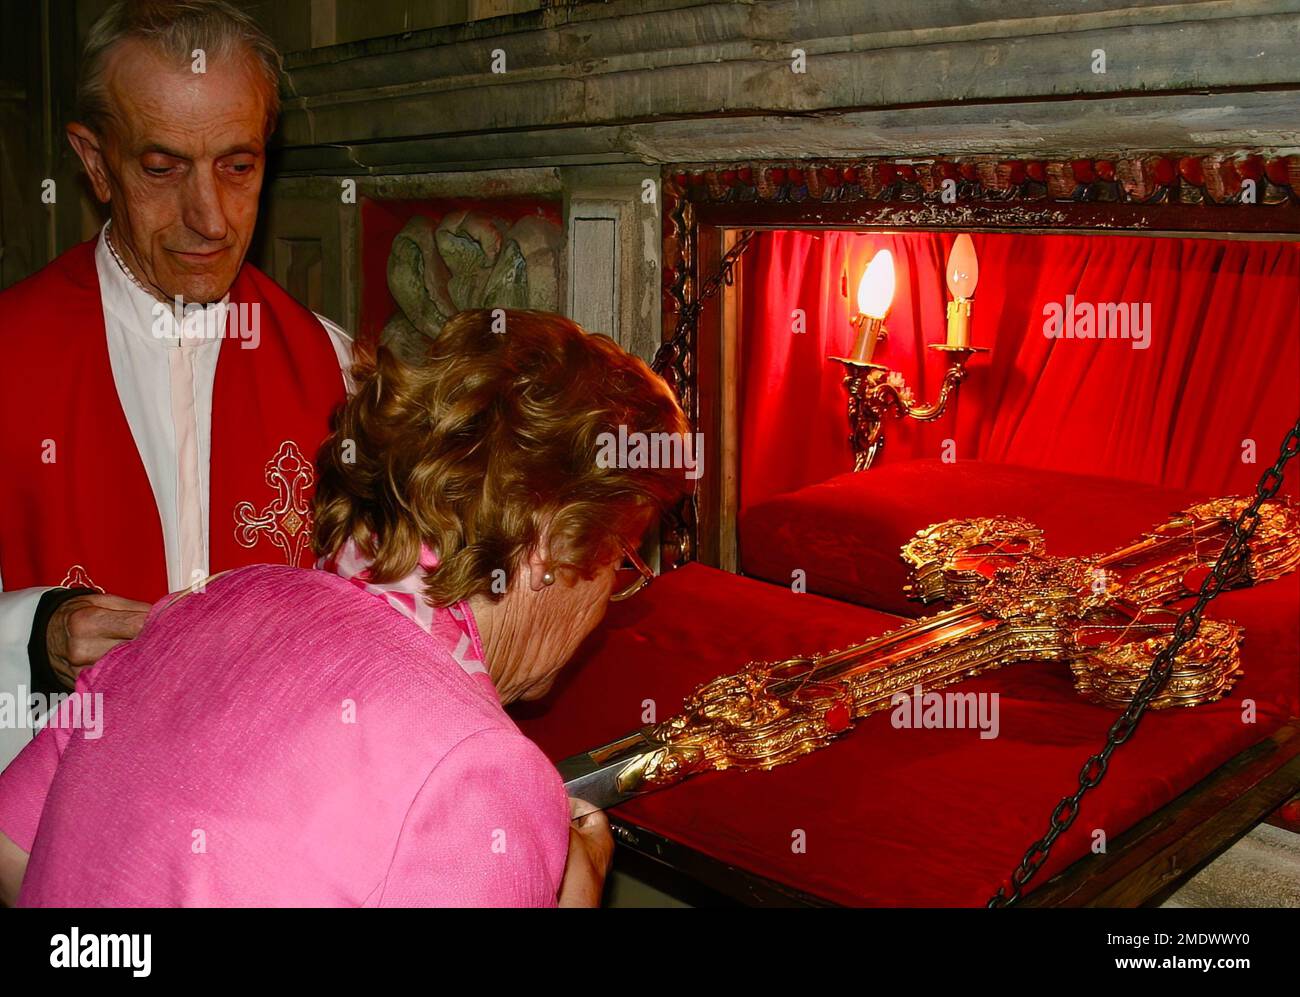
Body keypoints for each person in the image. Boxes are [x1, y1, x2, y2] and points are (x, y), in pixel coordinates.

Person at [0, 309, 692, 906]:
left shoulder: (214, 600)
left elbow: (14, 855)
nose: (610, 599)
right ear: (547, 543)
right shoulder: (485, 774)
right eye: (623, 561)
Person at [0, 0, 352, 769]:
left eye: (239, 166)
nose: (212, 220)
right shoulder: (8, 358)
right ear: (95, 164)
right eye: (161, 169)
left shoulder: (333, 365)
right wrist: (37, 633)